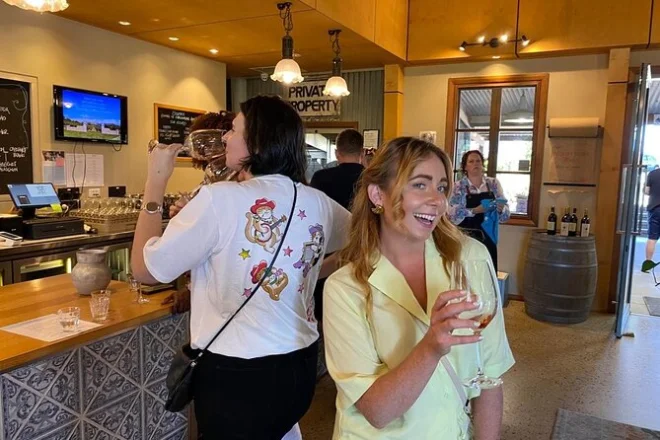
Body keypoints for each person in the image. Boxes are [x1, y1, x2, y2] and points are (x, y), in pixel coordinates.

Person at [131, 95, 351, 439]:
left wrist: (155, 182)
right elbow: (362, 243)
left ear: (257, 142)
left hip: (237, 376)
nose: (225, 137)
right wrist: (304, 272)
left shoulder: (219, 198)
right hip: (301, 364)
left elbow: (144, 270)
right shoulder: (317, 201)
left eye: (233, 130)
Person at [323, 137, 514, 439]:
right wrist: (431, 346)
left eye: (441, 187)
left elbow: (490, 374)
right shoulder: (345, 288)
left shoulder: (471, 259)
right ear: (378, 194)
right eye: (420, 185)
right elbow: (377, 410)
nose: (437, 200)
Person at [448, 150, 510, 271]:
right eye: (471, 161)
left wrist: (501, 209)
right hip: (465, 237)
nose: (475, 164)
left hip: (489, 237)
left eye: (478, 161)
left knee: (487, 272)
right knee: (467, 272)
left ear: (482, 164)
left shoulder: (493, 184)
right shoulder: (458, 186)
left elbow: (506, 216)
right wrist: (474, 211)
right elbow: (451, 214)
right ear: (465, 167)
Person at [645, 166, 660, 263]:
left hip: (655, 208)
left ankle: (648, 264)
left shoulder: (652, 173)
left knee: (652, 238)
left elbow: (647, 191)